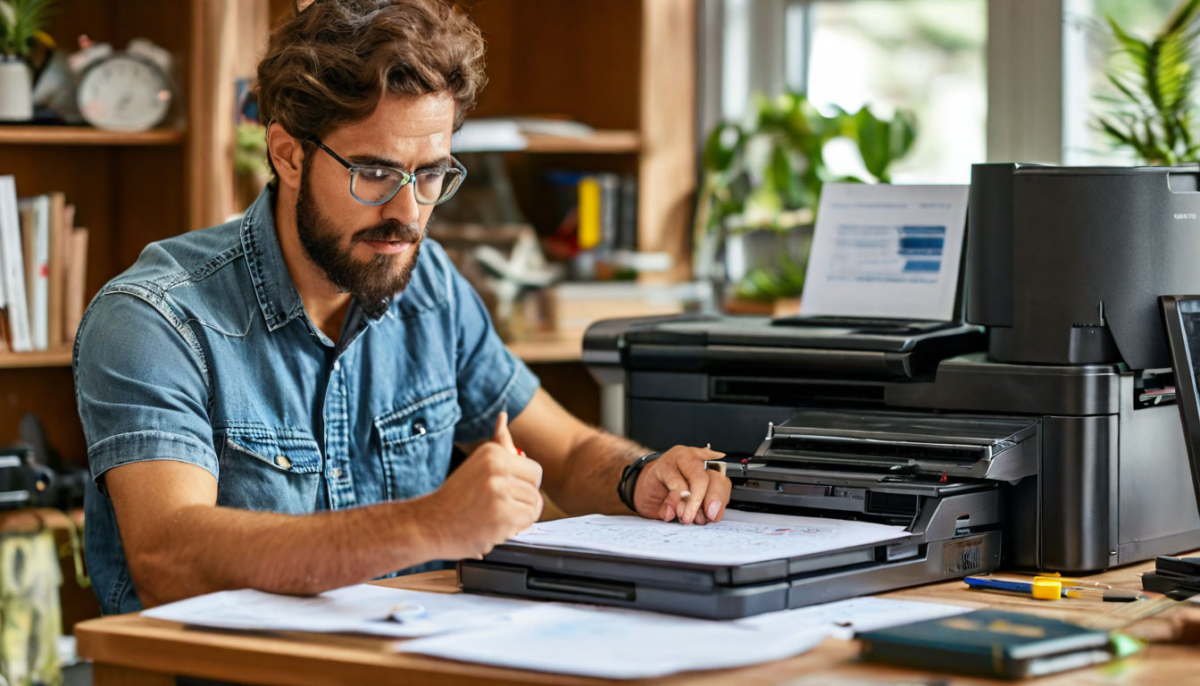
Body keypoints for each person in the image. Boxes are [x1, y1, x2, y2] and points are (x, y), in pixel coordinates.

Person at [72, 0, 731, 615]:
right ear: (287, 155)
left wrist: (641, 476)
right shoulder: (155, 318)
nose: (408, 213)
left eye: (432, 174)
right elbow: (168, 555)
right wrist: (429, 523)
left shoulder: (429, 286)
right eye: (376, 173)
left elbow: (568, 452)